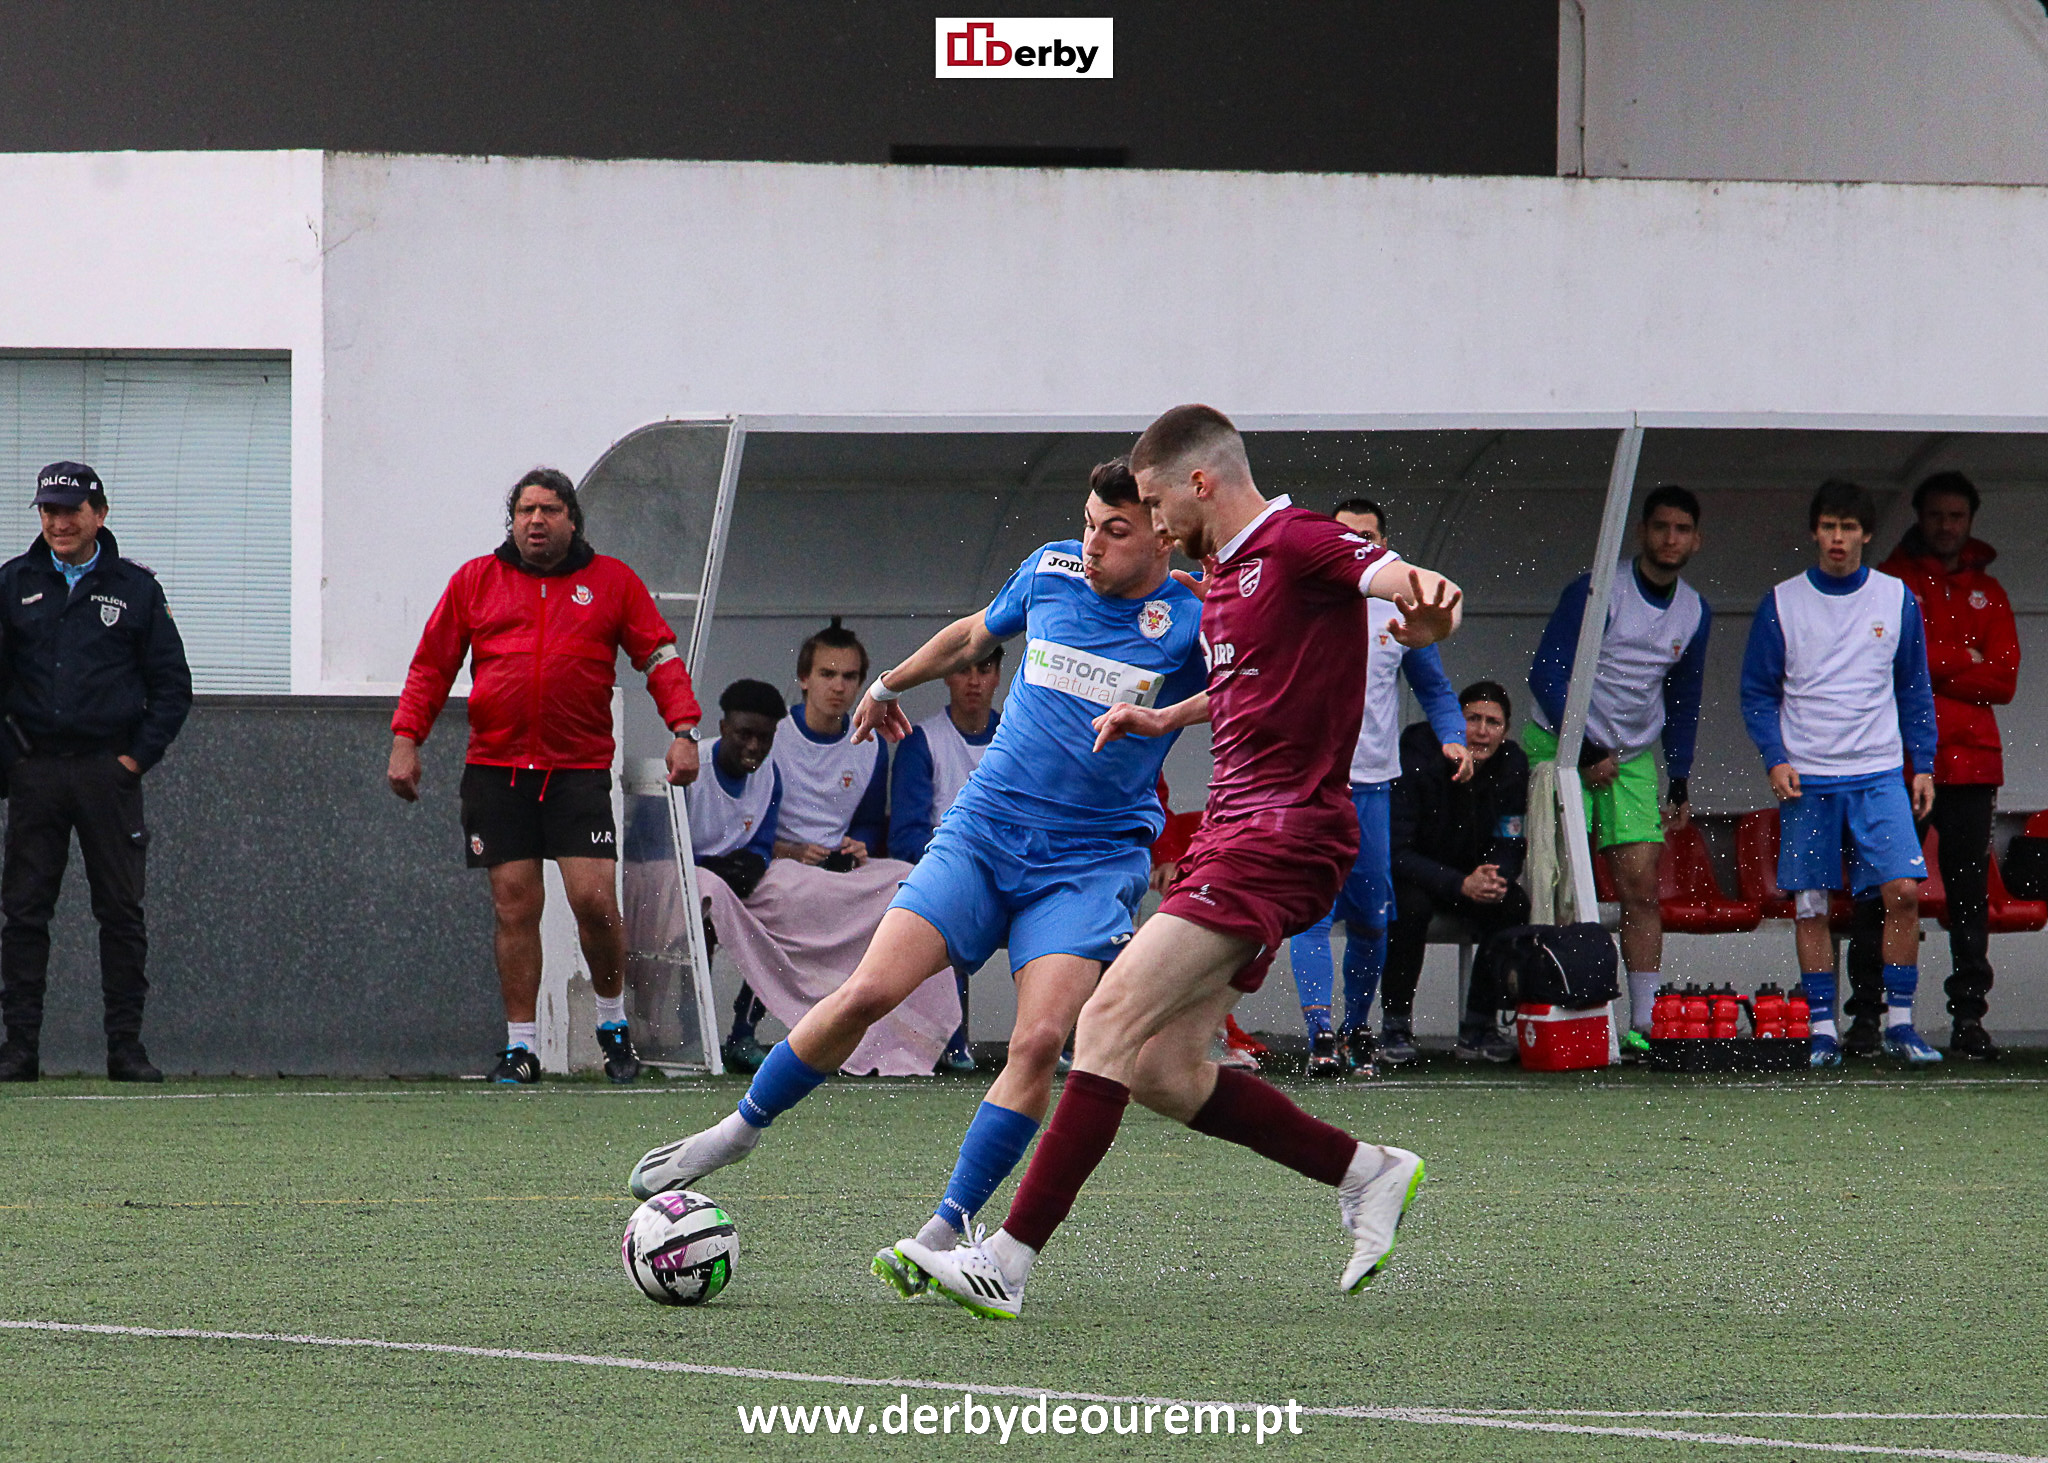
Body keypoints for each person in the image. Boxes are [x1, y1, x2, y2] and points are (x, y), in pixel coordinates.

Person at [903, 404, 1462, 1320]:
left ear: (1200, 484)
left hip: (1276, 839)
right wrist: (1163, 716)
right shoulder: (1227, 575)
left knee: (1108, 1017)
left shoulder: (1297, 542)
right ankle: (1366, 1171)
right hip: (1242, 836)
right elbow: (1250, 682)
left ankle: (1007, 1256)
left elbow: (1411, 583)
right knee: (1164, 1067)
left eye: (1155, 506)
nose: (1153, 528)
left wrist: (1429, 610)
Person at [626, 458, 1209, 1299]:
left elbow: (1251, 693)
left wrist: (1168, 716)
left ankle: (945, 1230)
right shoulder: (1049, 571)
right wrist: (893, 680)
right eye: (1086, 522)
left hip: (1086, 862)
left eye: (1113, 531)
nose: (1090, 545)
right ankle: (735, 1132)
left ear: (1161, 531)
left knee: (1042, 1039)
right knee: (868, 991)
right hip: (982, 837)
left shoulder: (1189, 618)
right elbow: (975, 634)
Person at [389, 467, 702, 1085]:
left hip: (577, 771)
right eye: (526, 510)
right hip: (496, 770)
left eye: (551, 510)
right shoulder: (475, 581)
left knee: (592, 899)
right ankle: (521, 1047)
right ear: (512, 521)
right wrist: (407, 740)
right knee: (514, 906)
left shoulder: (611, 582)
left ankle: (613, 1026)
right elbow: (431, 665)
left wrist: (684, 729)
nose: (537, 520)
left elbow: (659, 655)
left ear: (572, 521)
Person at [0, 462, 192, 1083]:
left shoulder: (135, 588)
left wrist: (134, 759)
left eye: (71, 510)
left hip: (108, 774)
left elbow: (171, 686)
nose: (59, 522)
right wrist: (13, 759)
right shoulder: (13, 583)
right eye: (48, 511)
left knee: (121, 912)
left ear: (99, 514)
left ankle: (125, 1049)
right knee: (25, 912)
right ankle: (19, 1048)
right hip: (37, 773)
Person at [1740, 478, 1939, 1068]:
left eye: (1848, 528)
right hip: (1810, 776)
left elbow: (1913, 689)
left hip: (1878, 773)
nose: (1837, 538)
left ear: (1866, 534)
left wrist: (1922, 763)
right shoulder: (1782, 602)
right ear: (1813, 532)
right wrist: (1775, 756)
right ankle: (1823, 1029)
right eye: (1828, 526)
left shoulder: (1895, 597)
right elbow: (1756, 691)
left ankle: (1901, 1024)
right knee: (1810, 907)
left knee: (1903, 893)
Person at [1286, 497, 1468, 1079]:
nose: (1359, 546)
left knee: (1369, 917)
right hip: (1311, 787)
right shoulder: (1302, 603)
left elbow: (1436, 689)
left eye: (1370, 537)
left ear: (1383, 546)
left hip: (1371, 790)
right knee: (1311, 914)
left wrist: (1454, 738)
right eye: (1348, 537)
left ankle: (1356, 1028)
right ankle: (1319, 1036)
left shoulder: (1401, 610)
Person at [1524, 485, 1711, 1052]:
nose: (1670, 538)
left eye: (1682, 529)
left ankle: (1646, 1023)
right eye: (1661, 527)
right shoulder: (1598, 590)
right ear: (1642, 533)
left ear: (1695, 540)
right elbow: (1546, 675)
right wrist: (1581, 755)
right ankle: (1555, 1016)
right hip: (1561, 746)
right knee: (1557, 889)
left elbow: (1684, 696)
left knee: (1640, 889)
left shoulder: (1694, 610)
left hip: (1630, 759)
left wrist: (1679, 773)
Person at [1843, 473, 2018, 1061]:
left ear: (1970, 520)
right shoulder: (1888, 582)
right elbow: (1884, 666)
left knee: (1969, 896)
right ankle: (1867, 1017)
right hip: (1895, 763)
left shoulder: (1989, 592)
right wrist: (1959, 658)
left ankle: (1968, 1017)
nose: (1947, 525)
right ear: (1918, 516)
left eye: (1957, 516)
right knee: (1882, 889)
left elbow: (2005, 678)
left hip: (1972, 766)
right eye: (1937, 515)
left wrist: (1930, 664)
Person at [721, 619, 890, 1072]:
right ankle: (745, 1027)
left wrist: (861, 845)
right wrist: (789, 851)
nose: (838, 686)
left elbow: (872, 822)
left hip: (839, 868)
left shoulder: (870, 741)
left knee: (908, 886)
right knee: (797, 898)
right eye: (827, 674)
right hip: (780, 863)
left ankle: (887, 1038)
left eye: (849, 676)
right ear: (804, 678)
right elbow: (746, 820)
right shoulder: (773, 735)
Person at [1379, 683, 1531, 1064]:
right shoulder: (1418, 752)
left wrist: (1494, 876)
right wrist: (1458, 883)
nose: (1481, 731)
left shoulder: (1511, 762)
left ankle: (1479, 1027)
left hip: (1472, 878)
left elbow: (1511, 838)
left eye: (1492, 722)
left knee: (1511, 903)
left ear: (1505, 731)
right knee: (1408, 907)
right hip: (1418, 873)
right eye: (1472, 719)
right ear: (1453, 725)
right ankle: (1395, 1027)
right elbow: (1395, 851)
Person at [890, 645, 1005, 1072]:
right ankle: (952, 1041)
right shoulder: (922, 741)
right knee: (949, 908)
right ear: (946, 677)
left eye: (984, 669)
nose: (974, 681)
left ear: (998, 676)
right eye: (963, 670)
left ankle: (1065, 1043)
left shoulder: (1016, 736)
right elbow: (905, 834)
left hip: (1011, 869)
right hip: (945, 868)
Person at [685, 679, 785, 900]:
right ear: (723, 728)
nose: (753, 747)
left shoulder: (770, 774)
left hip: (734, 875)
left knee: (790, 882)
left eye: (764, 738)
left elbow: (762, 844)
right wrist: (708, 866)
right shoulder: (690, 767)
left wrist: (755, 863)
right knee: (711, 888)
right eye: (744, 734)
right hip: (687, 873)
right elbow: (658, 850)